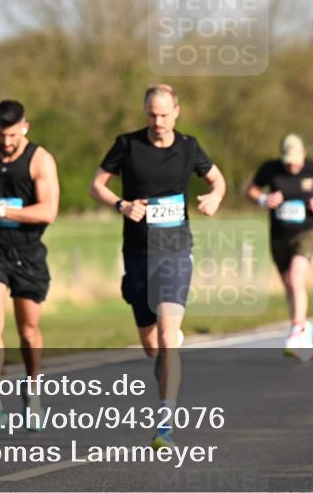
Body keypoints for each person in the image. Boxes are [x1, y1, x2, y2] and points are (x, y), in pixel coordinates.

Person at [89, 84, 226, 449]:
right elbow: (96, 185)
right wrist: (121, 205)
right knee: (152, 345)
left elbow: (217, 179)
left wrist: (214, 196)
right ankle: (164, 348)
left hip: (176, 251)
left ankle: (165, 423)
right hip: (138, 253)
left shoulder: (189, 147)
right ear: (145, 112)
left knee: (167, 337)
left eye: (164, 114)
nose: (158, 121)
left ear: (176, 112)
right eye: (152, 114)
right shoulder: (127, 145)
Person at [0, 100, 59, 432]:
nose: (6, 141)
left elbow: (48, 211)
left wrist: (2, 211)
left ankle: (32, 389)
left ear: (25, 128)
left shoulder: (40, 159)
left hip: (28, 252)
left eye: (13, 135)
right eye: (1, 135)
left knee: (29, 332)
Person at [247, 134, 313, 360]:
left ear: (304, 154)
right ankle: (303, 328)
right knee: (289, 285)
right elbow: (252, 190)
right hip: (279, 235)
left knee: (297, 279)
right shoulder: (270, 169)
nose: (292, 166)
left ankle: (296, 331)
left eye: (295, 161)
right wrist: (263, 199)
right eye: (288, 162)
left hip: (306, 232)